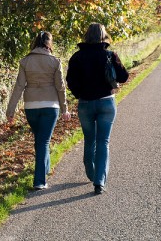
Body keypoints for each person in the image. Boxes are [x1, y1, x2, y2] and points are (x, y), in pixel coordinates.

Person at [66, 23, 129, 195]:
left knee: (89, 139)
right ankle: (99, 182)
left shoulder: (77, 57)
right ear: (103, 35)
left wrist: (80, 93)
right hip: (107, 103)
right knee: (103, 142)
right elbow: (124, 77)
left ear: (86, 35)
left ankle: (91, 173)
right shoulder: (109, 55)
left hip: (85, 104)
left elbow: (70, 81)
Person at [6, 31, 71, 190]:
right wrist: (65, 109)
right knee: (43, 141)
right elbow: (60, 87)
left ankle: (45, 168)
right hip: (50, 107)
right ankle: (39, 181)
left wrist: (10, 110)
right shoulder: (55, 62)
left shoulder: (25, 61)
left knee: (40, 140)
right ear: (49, 43)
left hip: (31, 107)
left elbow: (19, 87)